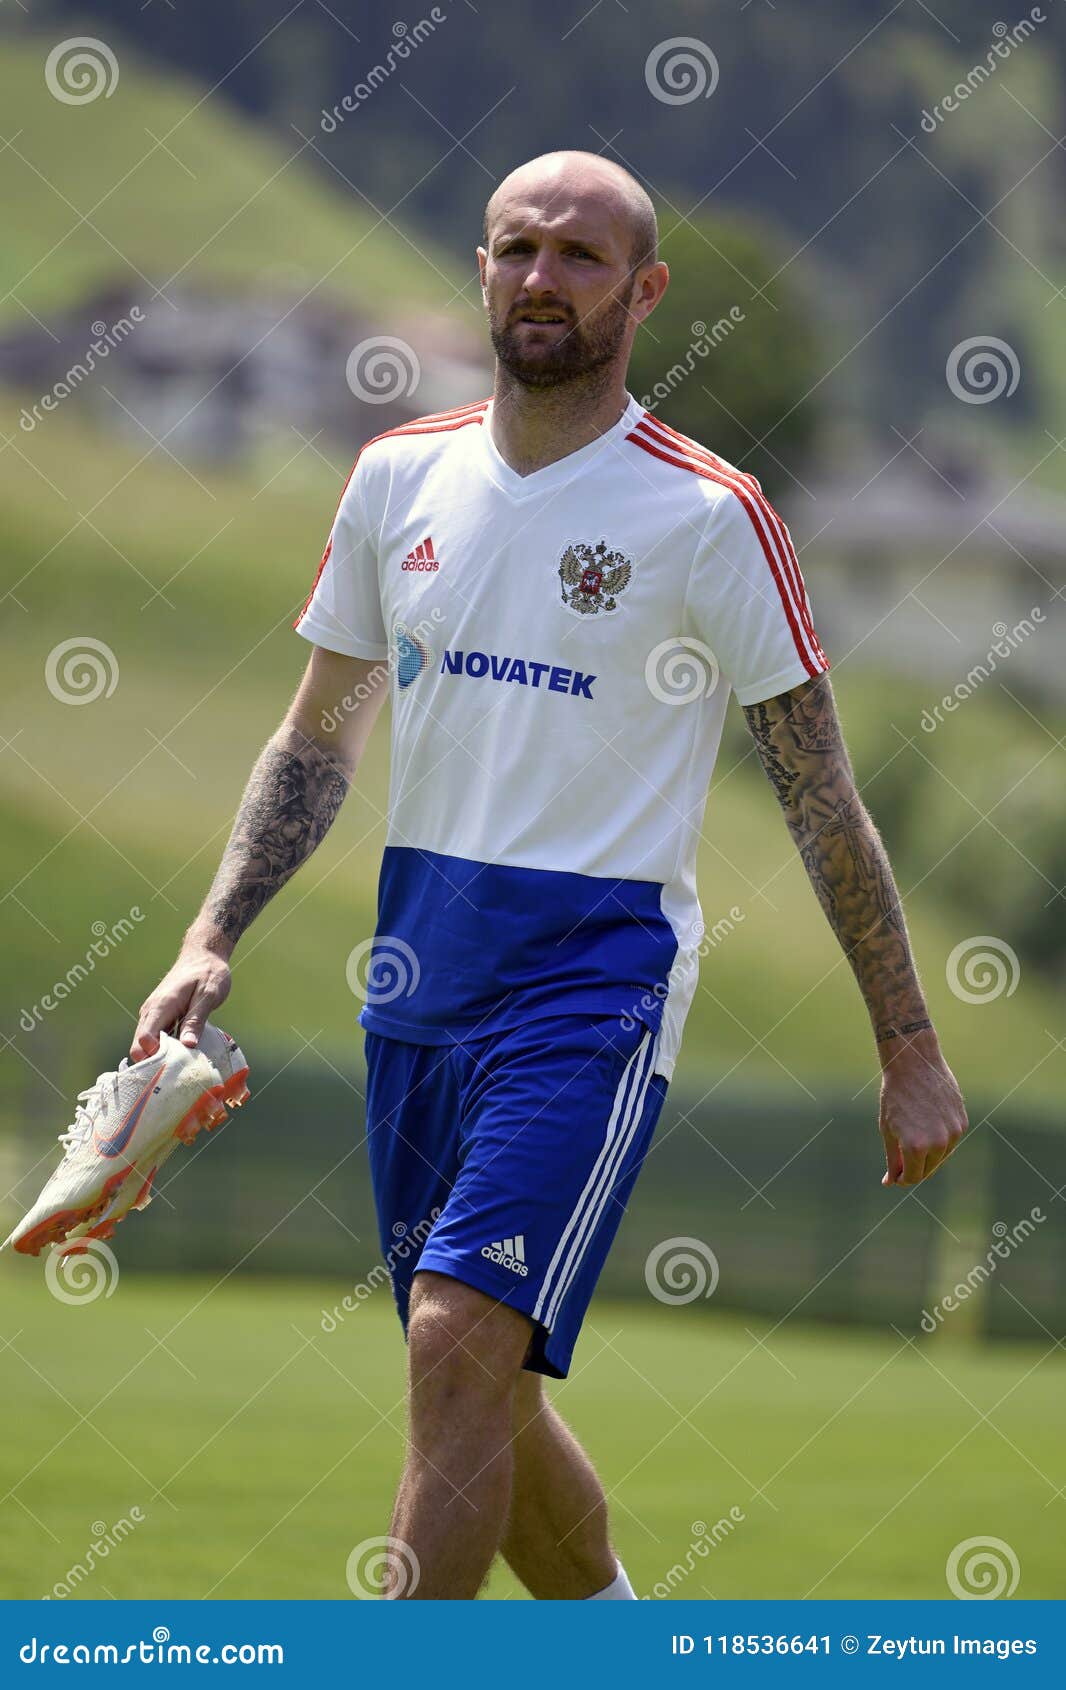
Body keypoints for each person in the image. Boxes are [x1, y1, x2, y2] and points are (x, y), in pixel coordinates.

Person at [131, 151, 967, 1600]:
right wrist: (210, 936)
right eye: (518, 246)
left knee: (455, 1337)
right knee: (488, 1391)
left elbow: (819, 790)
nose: (541, 277)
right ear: (480, 267)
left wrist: (906, 1042)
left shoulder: (711, 516)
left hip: (594, 974)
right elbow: (314, 741)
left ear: (641, 293)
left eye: (580, 257)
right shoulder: (397, 478)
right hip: (416, 972)